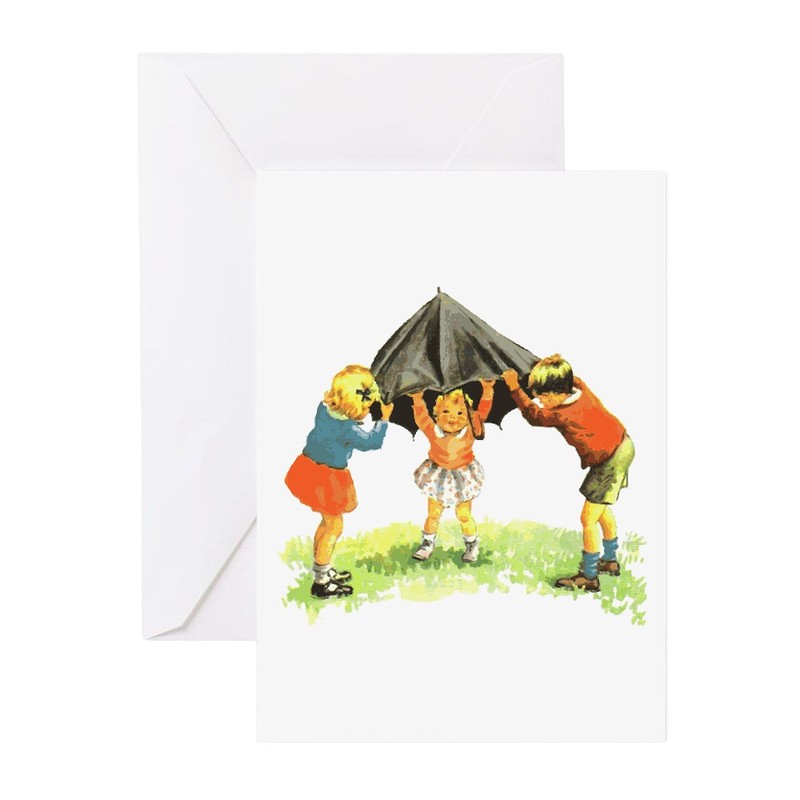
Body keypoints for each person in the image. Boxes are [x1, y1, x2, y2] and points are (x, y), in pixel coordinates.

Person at [502, 356, 635, 592]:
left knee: (587, 519)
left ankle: (589, 576)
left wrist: (514, 389)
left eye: (544, 397)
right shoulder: (579, 387)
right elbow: (567, 376)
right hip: (621, 446)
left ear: (558, 393)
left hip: (610, 459)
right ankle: (610, 561)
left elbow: (534, 416)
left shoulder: (563, 414)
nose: (541, 401)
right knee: (601, 509)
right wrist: (550, 365)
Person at [285, 365, 393, 598]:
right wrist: (383, 420)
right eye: (366, 405)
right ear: (354, 404)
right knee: (334, 527)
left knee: (327, 524)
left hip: (308, 469)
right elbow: (371, 443)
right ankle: (321, 582)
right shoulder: (348, 429)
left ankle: (322, 570)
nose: (368, 410)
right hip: (328, 480)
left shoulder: (323, 409)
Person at [409, 381, 494, 563]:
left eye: (460, 413)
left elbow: (482, 413)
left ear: (469, 416)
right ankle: (427, 543)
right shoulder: (433, 431)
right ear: (436, 415)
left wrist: (487, 390)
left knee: (464, 514)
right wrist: (417, 399)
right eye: (445, 412)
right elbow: (421, 417)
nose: (452, 417)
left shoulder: (470, 430)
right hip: (438, 475)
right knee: (433, 513)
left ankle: (471, 544)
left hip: (462, 476)